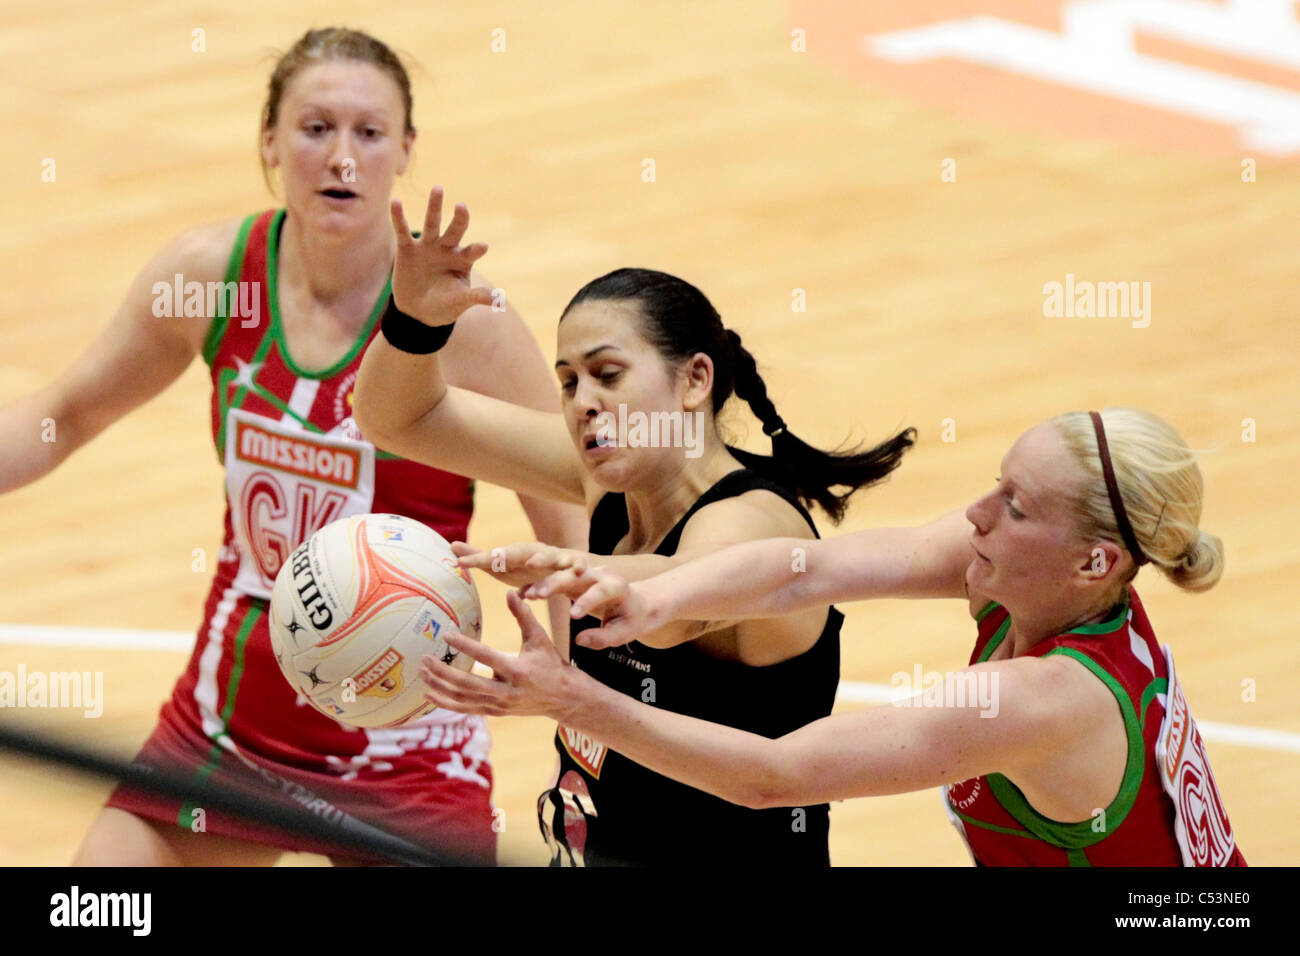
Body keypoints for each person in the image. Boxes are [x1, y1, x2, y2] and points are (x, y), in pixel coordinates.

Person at [0, 27, 586, 865]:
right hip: (227, 728)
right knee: (91, 915)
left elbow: (569, 531)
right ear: (270, 141)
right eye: (315, 129)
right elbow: (64, 415)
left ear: (405, 151)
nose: (341, 157)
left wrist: (584, 707)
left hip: (408, 748)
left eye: (369, 133)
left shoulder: (467, 325)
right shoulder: (212, 274)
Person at [425, 408, 1247, 866]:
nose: (977, 514)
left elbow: (777, 776)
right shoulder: (1038, 578)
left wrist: (573, 700)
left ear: (1094, 560)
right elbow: (804, 570)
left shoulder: (1040, 698)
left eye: (1017, 506)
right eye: (997, 484)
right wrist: (658, 596)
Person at [351, 215, 916, 865]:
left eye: (608, 374)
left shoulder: (754, 518)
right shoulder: (607, 488)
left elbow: (672, 607)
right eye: (568, 382)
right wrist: (414, 322)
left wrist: (571, 563)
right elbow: (401, 418)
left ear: (694, 380)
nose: (582, 402)